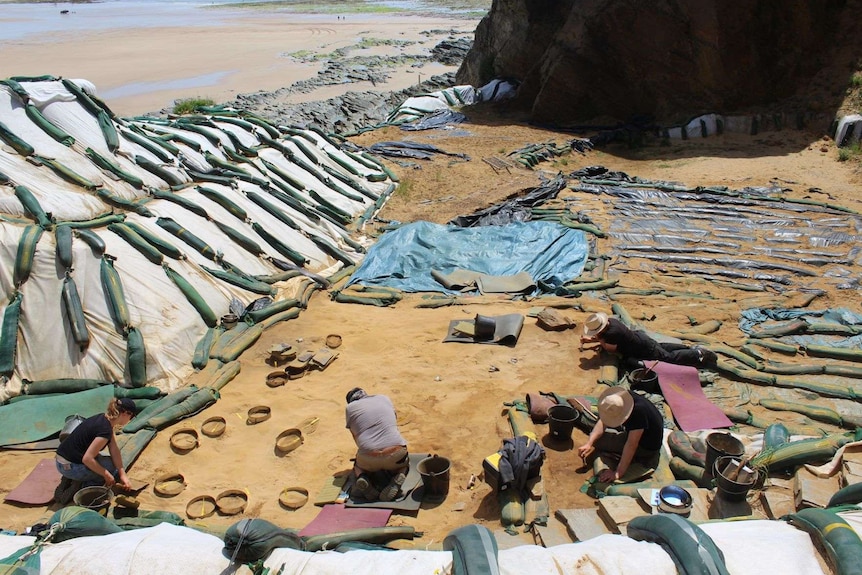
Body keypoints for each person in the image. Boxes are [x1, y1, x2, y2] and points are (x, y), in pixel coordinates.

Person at [54, 397, 136, 504]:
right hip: (70, 466)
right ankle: (83, 487)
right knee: (108, 470)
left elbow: (114, 449)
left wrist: (122, 474)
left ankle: (72, 478)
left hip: (63, 459)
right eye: (132, 416)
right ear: (125, 413)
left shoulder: (103, 419)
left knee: (111, 464)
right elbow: (87, 459)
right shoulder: (105, 430)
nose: (130, 420)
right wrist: (106, 475)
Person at [577, 387, 663, 483]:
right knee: (595, 437)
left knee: (600, 442)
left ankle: (619, 457)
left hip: (646, 446)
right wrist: (589, 443)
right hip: (640, 431)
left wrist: (618, 473)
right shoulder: (624, 399)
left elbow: (631, 444)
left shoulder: (638, 413)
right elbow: (603, 421)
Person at [580, 312, 717, 369]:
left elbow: (610, 349)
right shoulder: (612, 322)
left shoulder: (611, 334)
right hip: (641, 339)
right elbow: (604, 338)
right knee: (662, 347)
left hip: (641, 348)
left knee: (668, 357)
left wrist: (598, 340)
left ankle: (698, 353)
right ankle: (688, 349)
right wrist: (591, 340)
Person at [345, 387, 408, 502]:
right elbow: (393, 420)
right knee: (404, 465)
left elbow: (355, 436)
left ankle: (362, 476)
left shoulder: (350, 408)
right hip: (395, 454)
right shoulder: (383, 398)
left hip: (369, 458)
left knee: (358, 467)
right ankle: (398, 476)